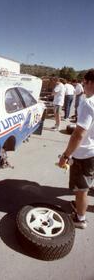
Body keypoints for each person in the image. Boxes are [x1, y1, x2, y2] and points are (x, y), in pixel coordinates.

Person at [58, 69, 94, 229]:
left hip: (85, 154)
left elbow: (78, 134)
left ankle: (80, 219)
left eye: (84, 82)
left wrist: (66, 155)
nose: (83, 86)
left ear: (91, 82)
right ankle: (80, 207)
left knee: (81, 190)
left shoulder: (88, 103)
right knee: (87, 184)